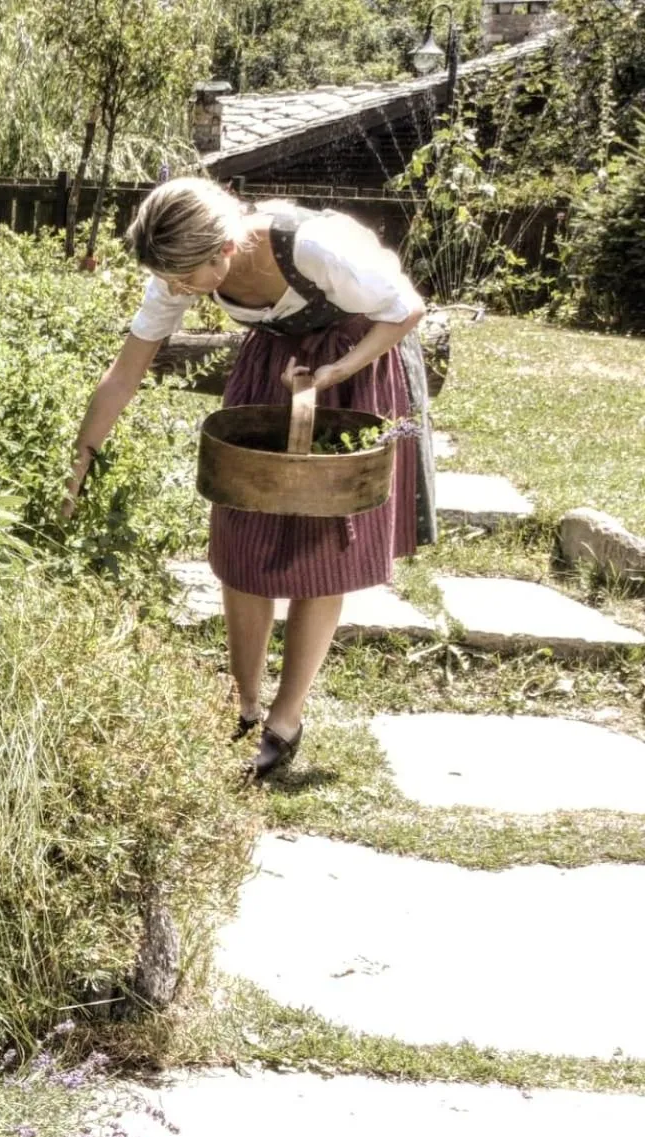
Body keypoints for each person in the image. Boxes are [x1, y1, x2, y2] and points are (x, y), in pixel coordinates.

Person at [66, 177, 436, 780]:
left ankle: (286, 720)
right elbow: (125, 371)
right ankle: (243, 703)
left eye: (187, 279)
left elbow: (406, 308)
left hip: (351, 370)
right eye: (172, 280)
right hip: (270, 375)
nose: (179, 291)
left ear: (226, 251)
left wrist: (334, 370)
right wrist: (79, 463)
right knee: (242, 542)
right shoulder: (181, 265)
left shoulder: (316, 247)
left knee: (323, 549)